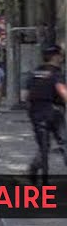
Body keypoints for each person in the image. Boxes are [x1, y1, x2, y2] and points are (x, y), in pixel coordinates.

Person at [26, 45, 67, 186]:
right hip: (53, 111)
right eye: (61, 55)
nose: (62, 58)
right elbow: (62, 91)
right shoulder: (56, 72)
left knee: (43, 147)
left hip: (36, 112)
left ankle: (34, 168)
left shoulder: (36, 72)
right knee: (64, 142)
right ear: (55, 56)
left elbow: (27, 94)